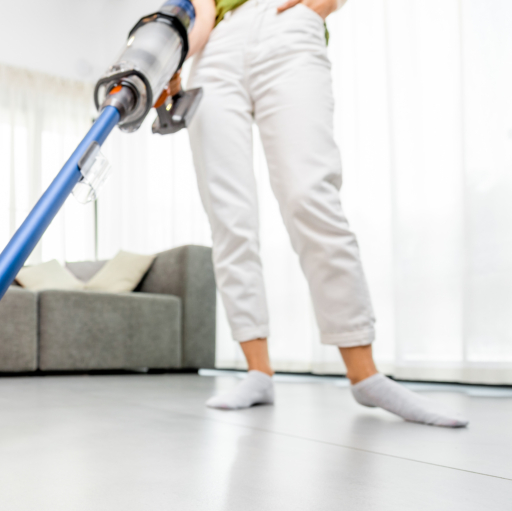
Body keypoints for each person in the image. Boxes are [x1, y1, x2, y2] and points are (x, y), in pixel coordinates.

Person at [170, 0, 467, 427]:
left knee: (309, 193)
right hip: (217, 49)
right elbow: (202, 12)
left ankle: (365, 375)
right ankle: (257, 372)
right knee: (228, 214)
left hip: (287, 26)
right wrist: (173, 60)